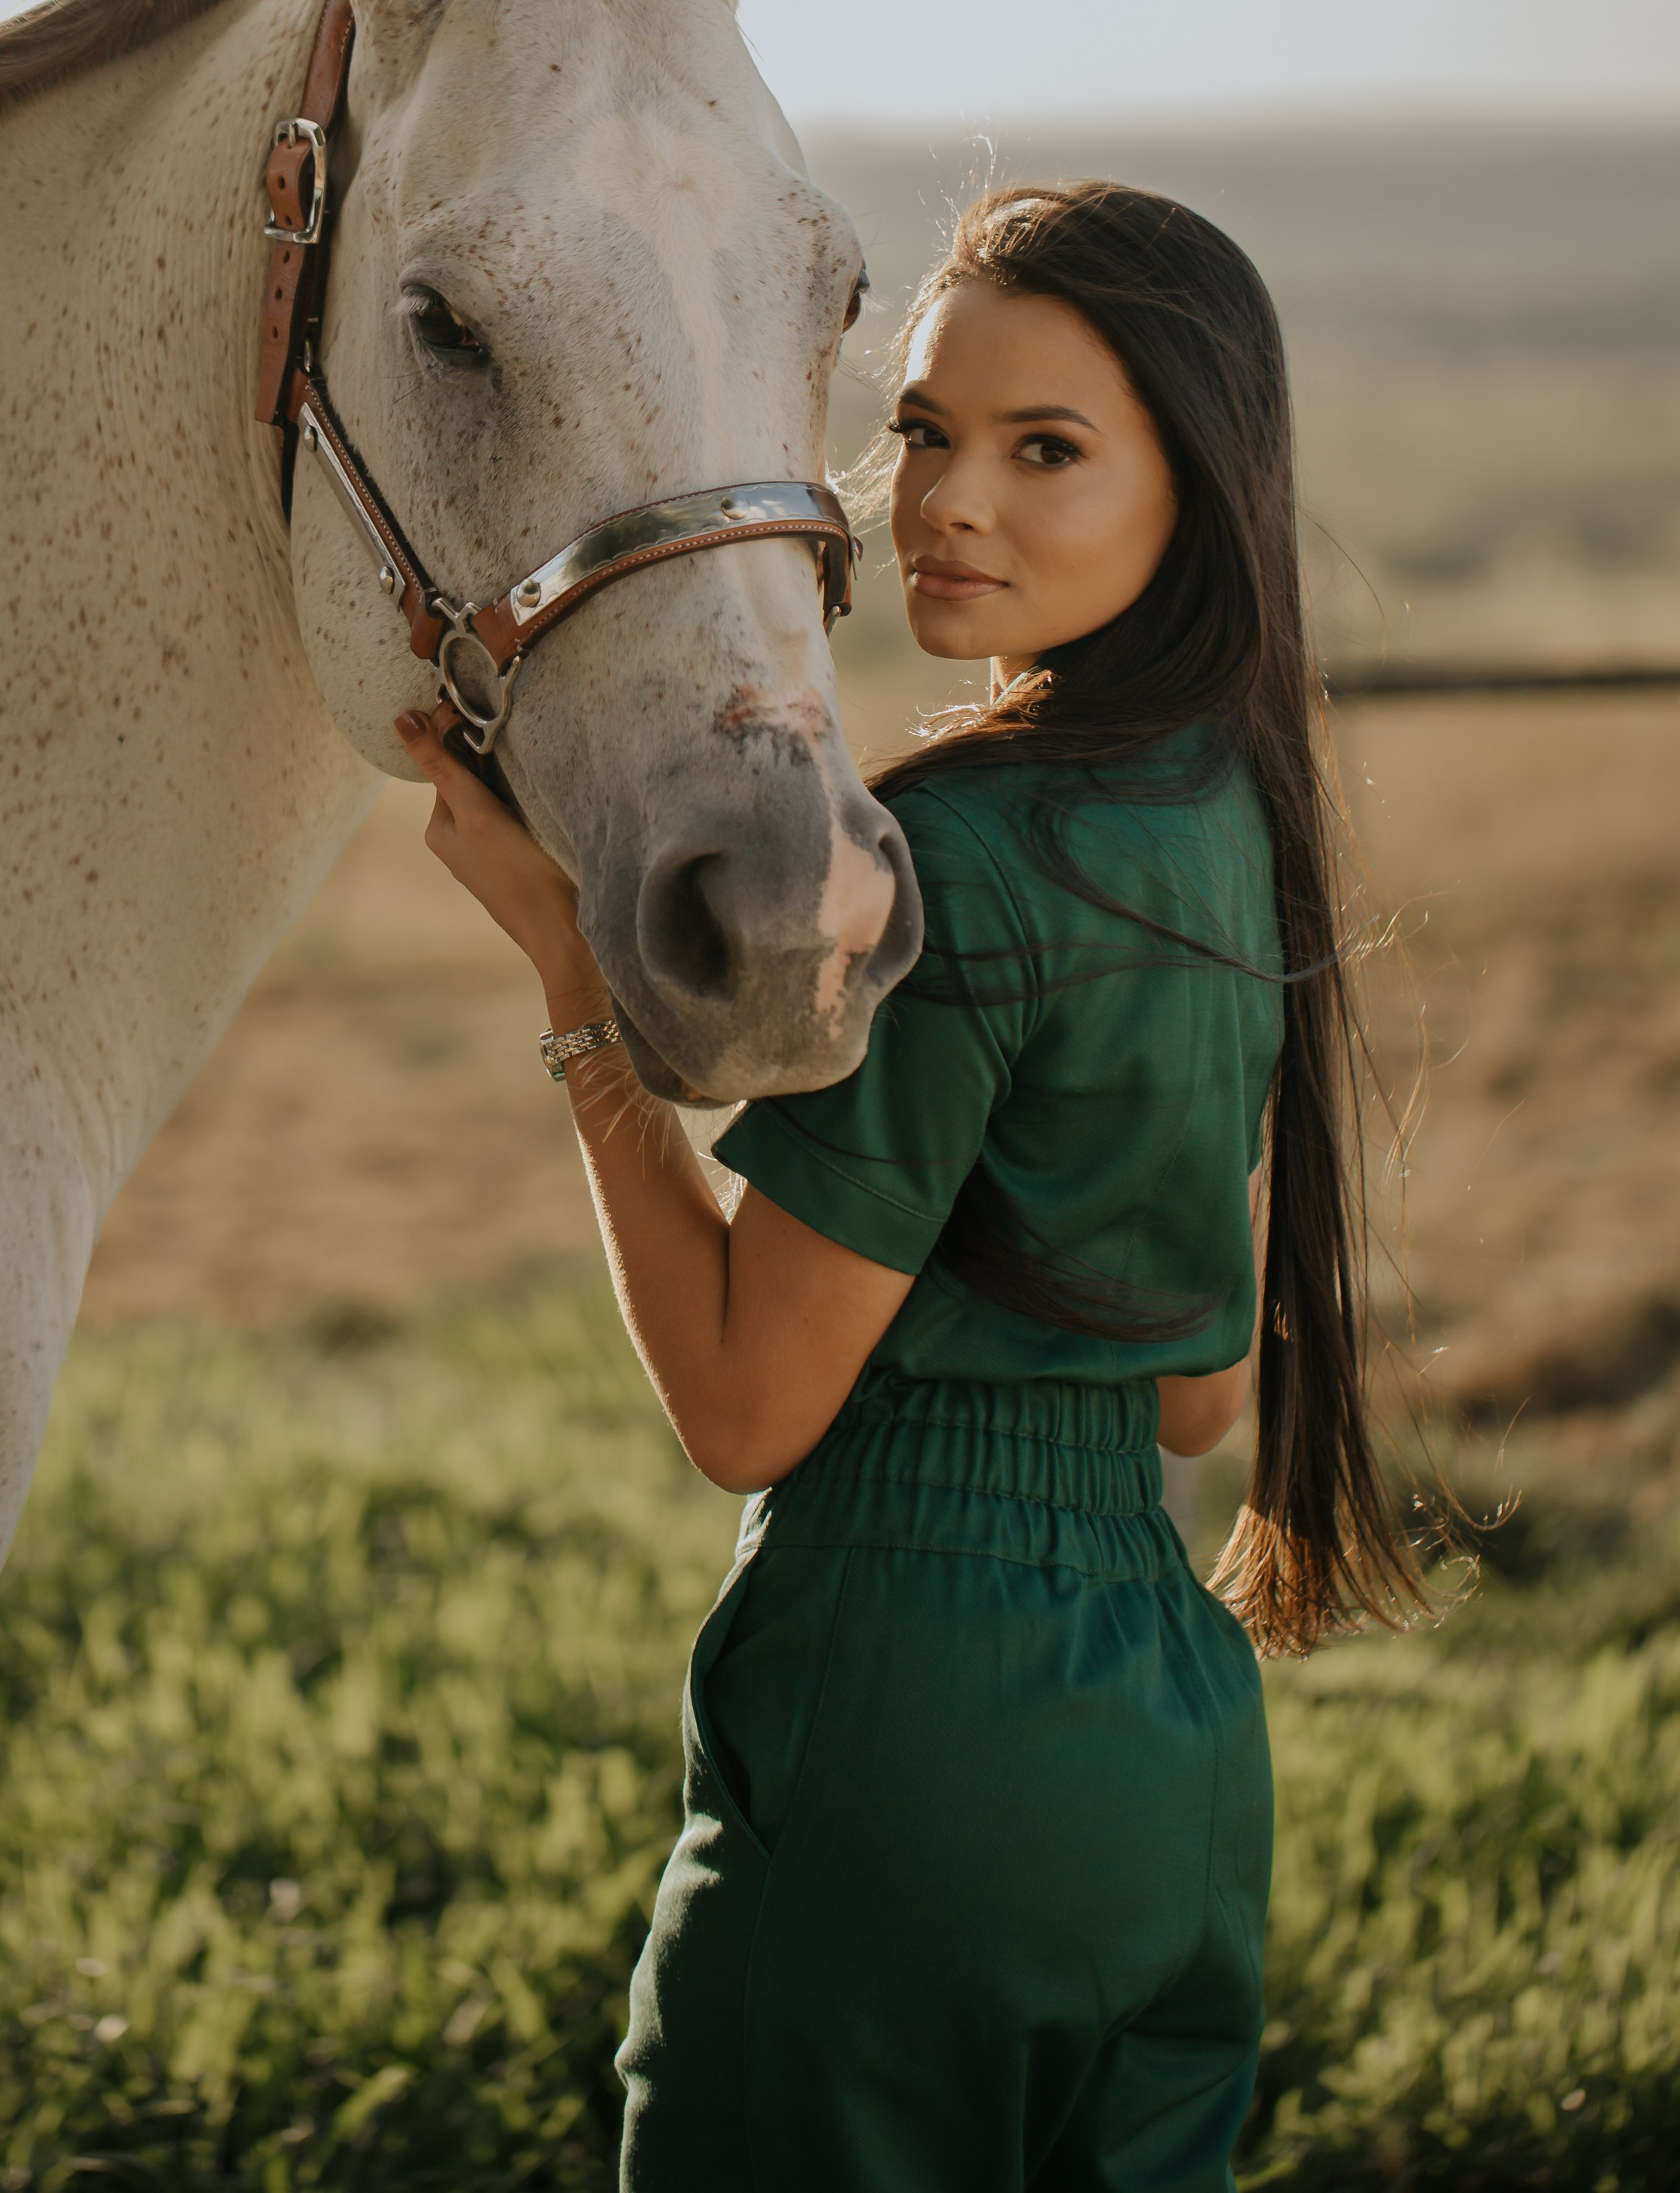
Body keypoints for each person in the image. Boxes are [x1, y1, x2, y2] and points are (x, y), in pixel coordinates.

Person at [395, 181, 1421, 2193]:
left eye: (1046, 449)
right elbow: (1202, 1393)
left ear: (1194, 491)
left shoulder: (953, 857)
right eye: (928, 425)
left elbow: (742, 1403)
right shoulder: (1230, 815)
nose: (948, 496)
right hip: (1169, 1750)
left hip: (904, 1733)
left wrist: (575, 986)